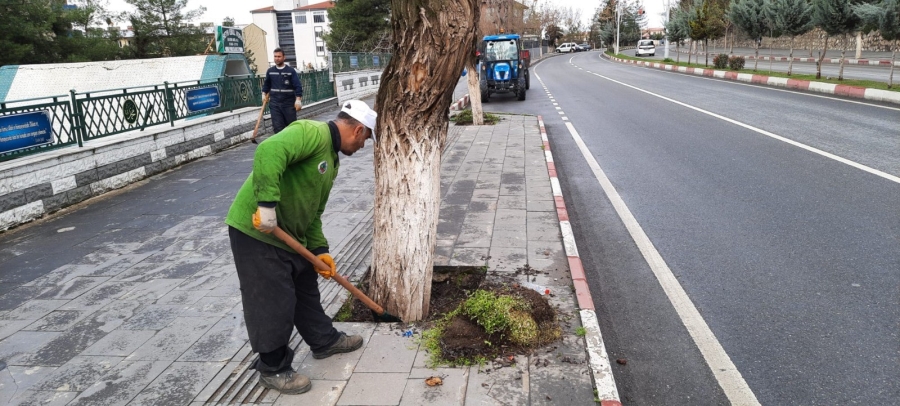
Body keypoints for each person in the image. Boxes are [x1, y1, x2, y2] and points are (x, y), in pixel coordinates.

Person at [225, 100, 378, 395]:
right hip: (256, 229)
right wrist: (267, 205)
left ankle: (324, 340)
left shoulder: (331, 161)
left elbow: (313, 211)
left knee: (305, 287)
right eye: (366, 139)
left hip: (289, 234)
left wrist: (320, 250)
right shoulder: (311, 132)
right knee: (272, 300)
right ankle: (273, 368)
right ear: (359, 130)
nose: (363, 146)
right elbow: (268, 151)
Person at [262, 48, 303, 134]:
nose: (277, 58)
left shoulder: (290, 71)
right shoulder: (270, 71)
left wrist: (298, 99)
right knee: (277, 127)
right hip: (275, 104)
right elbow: (266, 85)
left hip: (288, 104)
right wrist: (263, 94)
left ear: (284, 57)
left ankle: (293, 145)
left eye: (279, 56)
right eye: (275, 56)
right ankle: (281, 146)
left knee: (291, 127)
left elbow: (297, 86)